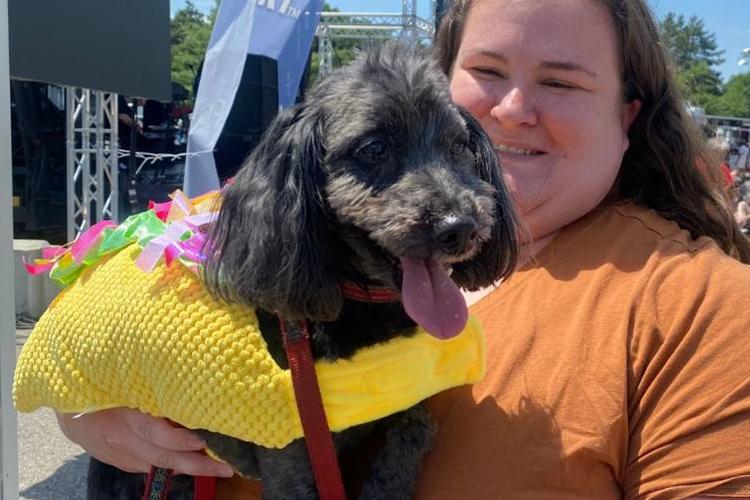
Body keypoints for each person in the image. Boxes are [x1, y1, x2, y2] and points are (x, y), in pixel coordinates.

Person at [57, 0, 750, 498]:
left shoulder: (699, 306)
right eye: (486, 69)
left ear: (626, 115)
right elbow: (90, 352)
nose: (511, 109)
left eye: (561, 81)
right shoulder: (274, 235)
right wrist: (92, 413)